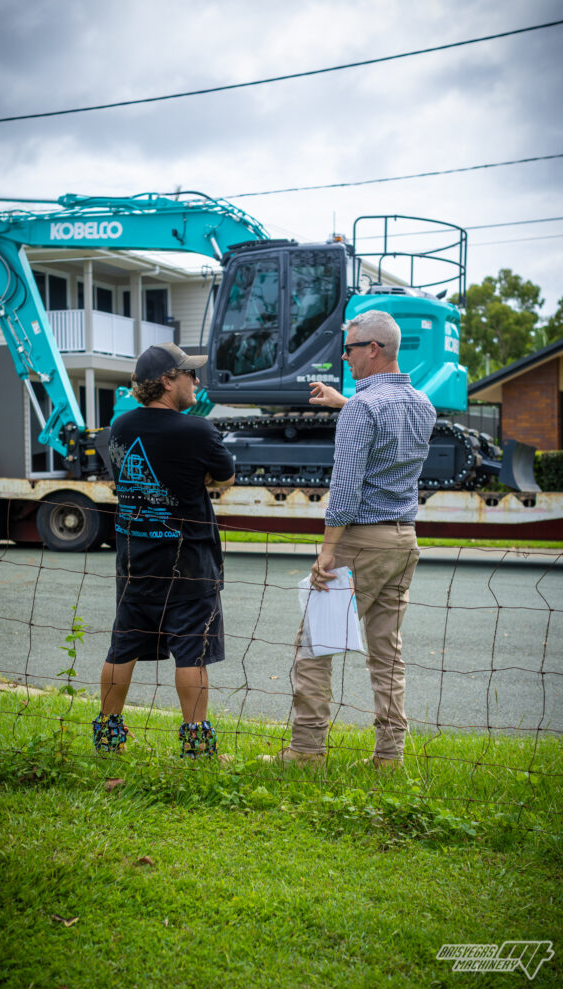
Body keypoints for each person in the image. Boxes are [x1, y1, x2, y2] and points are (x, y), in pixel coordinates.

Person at [263, 310, 436, 769]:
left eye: (350, 348)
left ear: (373, 349)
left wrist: (327, 550)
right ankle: (389, 756)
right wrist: (345, 402)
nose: (344, 356)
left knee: (314, 644)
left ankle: (306, 750)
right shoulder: (422, 404)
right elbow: (385, 425)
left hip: (360, 542)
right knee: (387, 652)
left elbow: (345, 489)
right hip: (403, 540)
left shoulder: (363, 408)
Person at [93, 342, 235, 759]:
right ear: (167, 381)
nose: (196, 380)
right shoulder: (197, 431)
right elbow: (225, 478)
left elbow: (124, 478)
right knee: (191, 654)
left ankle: (108, 739)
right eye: (189, 374)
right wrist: (195, 477)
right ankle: (197, 747)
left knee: (122, 647)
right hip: (188, 565)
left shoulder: (120, 427)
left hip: (134, 562)